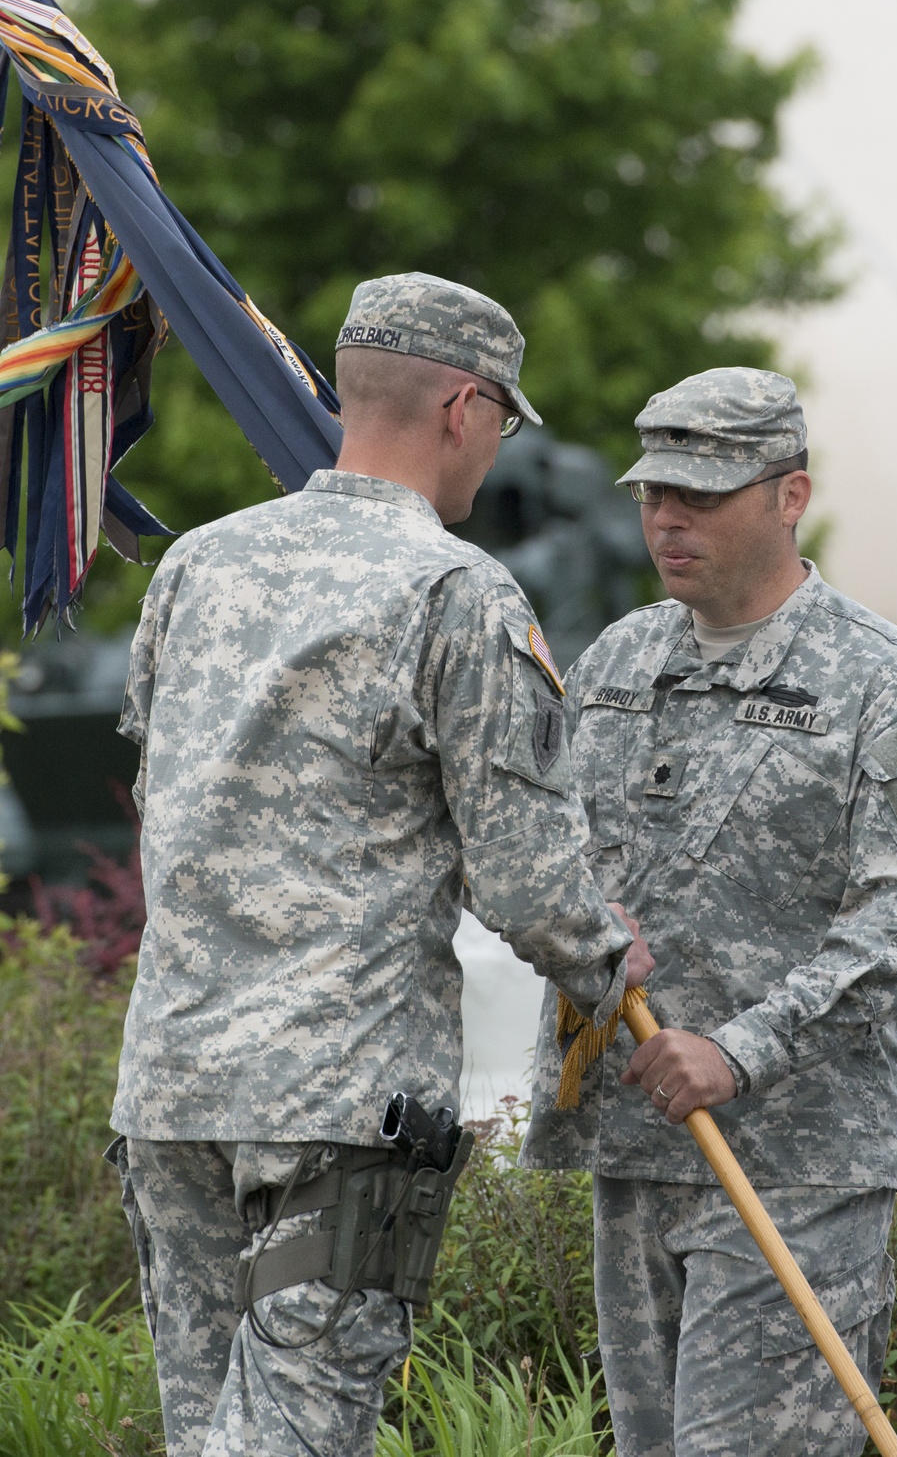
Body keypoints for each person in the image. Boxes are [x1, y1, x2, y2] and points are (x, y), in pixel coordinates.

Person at [106, 271, 653, 1457]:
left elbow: (158, 803)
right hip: (339, 1109)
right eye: (501, 420)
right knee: (293, 1435)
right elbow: (523, 877)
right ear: (464, 407)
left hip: (173, 1083)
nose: (494, 451)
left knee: (209, 1431)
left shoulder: (198, 565)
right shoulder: (457, 590)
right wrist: (609, 959)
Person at [520, 367, 897, 1457]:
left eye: (702, 494)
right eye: (651, 495)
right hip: (636, 1142)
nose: (667, 518)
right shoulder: (618, 662)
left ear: (789, 496)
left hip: (793, 1158)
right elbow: (549, 847)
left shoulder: (887, 686)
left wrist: (743, 1046)